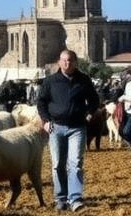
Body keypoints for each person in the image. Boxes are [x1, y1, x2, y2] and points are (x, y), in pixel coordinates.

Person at [37, 49, 101, 213]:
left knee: (75, 163)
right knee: (58, 164)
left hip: (77, 128)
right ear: (59, 62)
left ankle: (75, 198)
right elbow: (41, 102)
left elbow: (94, 100)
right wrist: (45, 121)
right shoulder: (50, 81)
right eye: (64, 60)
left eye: (70, 60)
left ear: (75, 62)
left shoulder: (83, 80)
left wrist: (89, 113)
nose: (67, 63)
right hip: (55, 127)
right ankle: (60, 198)